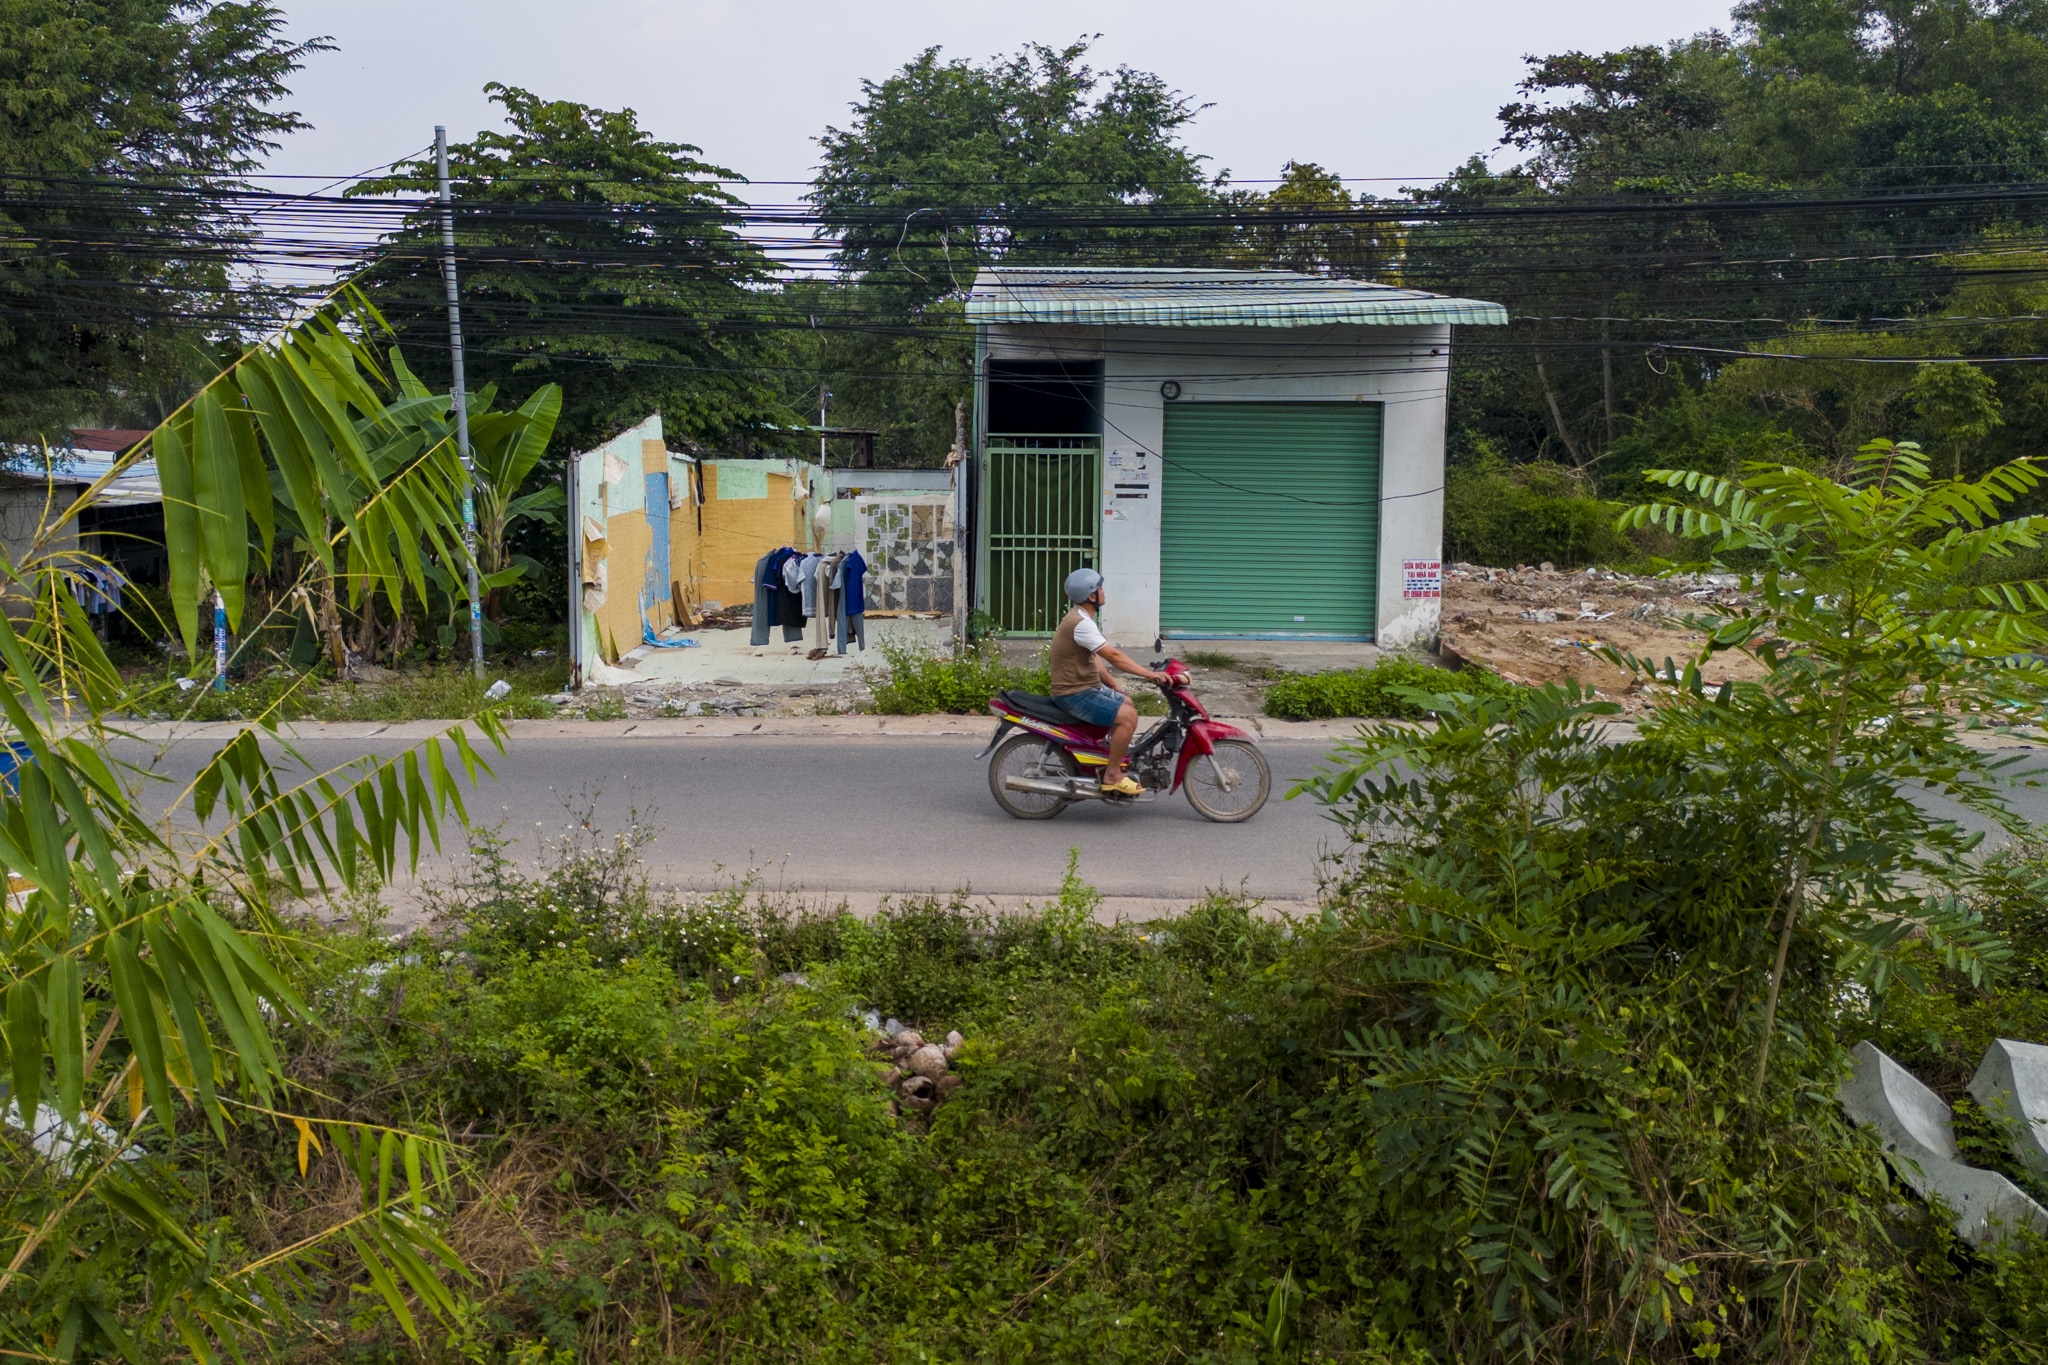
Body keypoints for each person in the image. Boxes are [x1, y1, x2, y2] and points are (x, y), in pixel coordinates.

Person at [1048, 568, 1170, 796]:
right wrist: (1150, 674)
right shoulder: (1081, 624)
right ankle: (1112, 775)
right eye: (1100, 587)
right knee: (1128, 717)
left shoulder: (1081, 618)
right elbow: (1113, 656)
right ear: (1091, 596)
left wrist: (1113, 685)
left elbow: (1093, 657)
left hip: (1084, 687)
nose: (1104, 591)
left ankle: (1109, 757)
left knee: (1128, 703)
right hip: (1074, 693)